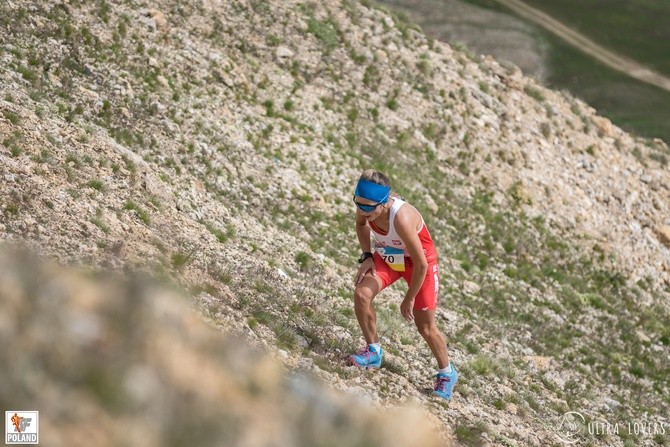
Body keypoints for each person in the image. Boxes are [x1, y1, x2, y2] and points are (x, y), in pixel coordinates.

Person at [348, 169, 458, 400]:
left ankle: (447, 373)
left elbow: (421, 265)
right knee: (362, 294)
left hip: (419, 265)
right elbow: (361, 226)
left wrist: (408, 298)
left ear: (384, 203)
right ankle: (373, 350)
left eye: (369, 207)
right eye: (359, 204)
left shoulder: (401, 217)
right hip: (389, 258)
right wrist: (367, 256)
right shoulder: (365, 209)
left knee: (424, 326)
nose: (363, 211)